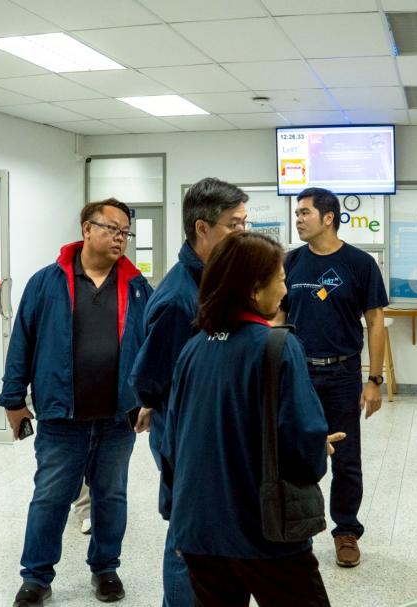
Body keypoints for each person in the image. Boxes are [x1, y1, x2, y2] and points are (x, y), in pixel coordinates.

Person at [161, 231, 340, 607]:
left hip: (198, 530)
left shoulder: (193, 349)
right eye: (280, 279)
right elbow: (303, 438)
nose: (285, 290)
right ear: (254, 289)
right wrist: (316, 449)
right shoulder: (278, 346)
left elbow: (173, 442)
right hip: (262, 529)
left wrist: (176, 516)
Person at [0, 198, 151, 606]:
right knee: (50, 497)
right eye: (112, 229)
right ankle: (36, 577)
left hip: (118, 418)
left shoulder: (137, 286)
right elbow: (22, 341)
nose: (120, 238)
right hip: (61, 417)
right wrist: (13, 399)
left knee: (111, 497)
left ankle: (106, 569)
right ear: (87, 229)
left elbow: (151, 347)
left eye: (125, 232)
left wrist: (150, 398)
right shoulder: (46, 283)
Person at [129, 177, 249, 607]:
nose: (242, 232)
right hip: (184, 432)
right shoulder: (180, 298)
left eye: (244, 222)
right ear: (202, 227)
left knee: (208, 532)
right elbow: (150, 376)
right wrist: (152, 403)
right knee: (187, 535)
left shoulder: (214, 280)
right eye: (234, 224)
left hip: (207, 426)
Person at [280, 187, 388, 568]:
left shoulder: (360, 264)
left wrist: (374, 380)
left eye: (304, 212)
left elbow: (375, 322)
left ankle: (346, 531)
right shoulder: (291, 262)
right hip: (298, 373)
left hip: (343, 373)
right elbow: (277, 316)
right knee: (295, 453)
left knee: (346, 457)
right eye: (297, 213)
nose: (298, 219)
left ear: (328, 218)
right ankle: (298, 529)